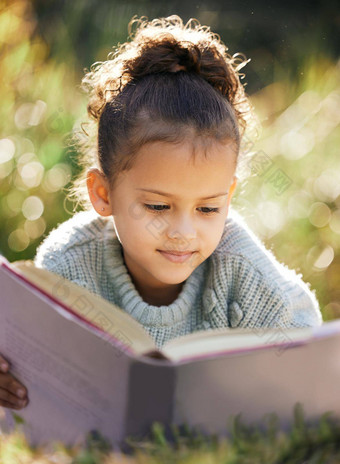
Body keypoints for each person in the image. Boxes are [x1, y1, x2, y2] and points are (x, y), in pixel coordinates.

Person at [0, 15, 322, 412]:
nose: (183, 232)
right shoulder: (68, 263)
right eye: (157, 206)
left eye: (208, 208)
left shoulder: (244, 274)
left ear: (229, 196)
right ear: (103, 193)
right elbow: (31, 369)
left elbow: (310, 359)